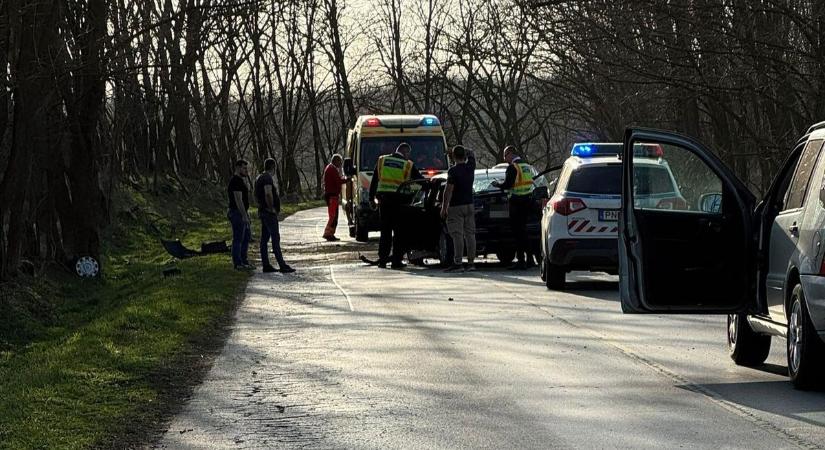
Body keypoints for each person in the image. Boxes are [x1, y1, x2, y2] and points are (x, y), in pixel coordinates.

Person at [369, 142, 424, 269]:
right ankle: (396, 261)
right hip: (400, 204)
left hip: (384, 202)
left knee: (385, 232)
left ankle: (382, 260)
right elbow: (420, 180)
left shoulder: (382, 160)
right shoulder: (408, 164)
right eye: (408, 154)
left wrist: (371, 198)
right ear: (406, 152)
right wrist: (430, 185)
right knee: (399, 233)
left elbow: (374, 180)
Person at [492, 146, 535, 270]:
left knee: (518, 234)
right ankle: (530, 259)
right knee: (524, 232)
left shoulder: (513, 167)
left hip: (516, 202)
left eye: (505, 156)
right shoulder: (527, 166)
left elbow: (508, 185)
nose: (505, 159)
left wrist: (497, 184)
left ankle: (521, 261)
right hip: (527, 201)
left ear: (510, 154)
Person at [440, 145, 477, 273]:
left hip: (456, 206)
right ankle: (471, 263)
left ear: (454, 157)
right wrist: (464, 152)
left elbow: (448, 190)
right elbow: (471, 152)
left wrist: (444, 207)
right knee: (470, 235)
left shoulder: (453, 171)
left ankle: (458, 262)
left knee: (457, 235)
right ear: (465, 156)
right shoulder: (470, 167)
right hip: (469, 205)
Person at [255, 158, 295, 274]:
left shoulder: (259, 177)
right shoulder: (267, 178)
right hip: (268, 212)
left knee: (264, 239)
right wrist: (272, 208)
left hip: (262, 211)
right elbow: (268, 193)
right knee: (275, 238)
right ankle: (282, 265)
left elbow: (256, 195)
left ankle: (266, 264)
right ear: (273, 167)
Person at [228, 160, 253, 270]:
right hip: (237, 213)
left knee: (246, 237)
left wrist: (246, 213)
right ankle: (238, 263)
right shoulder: (235, 181)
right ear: (238, 168)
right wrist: (244, 215)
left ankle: (244, 261)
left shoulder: (241, 181)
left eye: (246, 168)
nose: (246, 171)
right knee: (238, 238)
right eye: (244, 168)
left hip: (242, 212)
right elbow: (238, 200)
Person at [322, 154, 347, 241]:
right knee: (333, 216)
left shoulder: (330, 168)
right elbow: (338, 181)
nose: (340, 163)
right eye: (340, 161)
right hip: (332, 195)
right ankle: (328, 233)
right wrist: (348, 180)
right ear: (336, 161)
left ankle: (330, 233)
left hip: (331, 195)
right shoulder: (332, 169)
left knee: (334, 215)